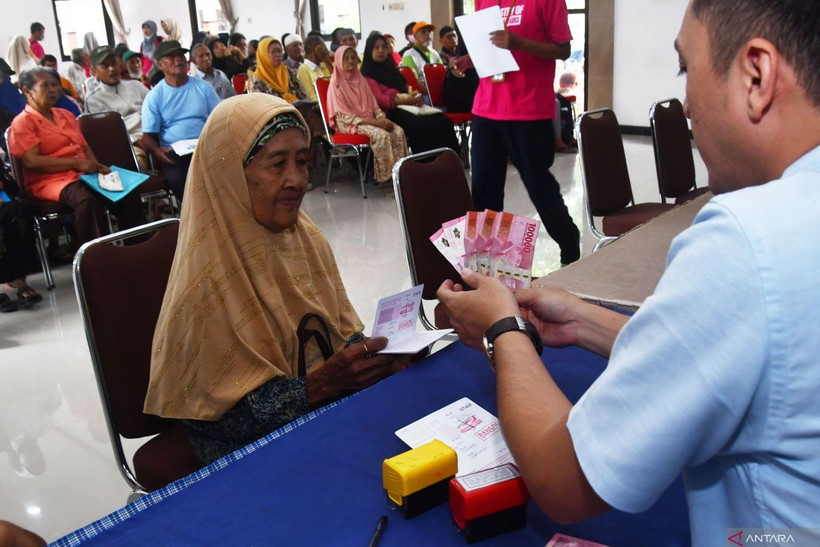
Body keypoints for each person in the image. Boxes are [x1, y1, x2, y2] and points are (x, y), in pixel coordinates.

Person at [437, 0, 820, 542]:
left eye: (687, 68)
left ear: (756, 75)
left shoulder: (747, 240)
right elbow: (730, 354)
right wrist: (585, 321)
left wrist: (504, 330)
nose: (686, 105)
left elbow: (564, 479)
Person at [144, 94, 417, 465]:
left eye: (302, 162)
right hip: (245, 455)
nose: (297, 180)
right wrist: (317, 386)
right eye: (277, 164)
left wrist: (377, 356)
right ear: (230, 174)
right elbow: (213, 417)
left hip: (320, 412)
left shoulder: (304, 239)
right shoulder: (205, 282)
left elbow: (338, 331)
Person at [455, 0, 580, 265]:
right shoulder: (483, 1)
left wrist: (521, 43)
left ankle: (569, 243)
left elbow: (563, 49)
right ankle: (486, 257)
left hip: (529, 108)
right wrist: (470, 60)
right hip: (486, 108)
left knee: (539, 185)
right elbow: (489, 50)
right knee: (483, 190)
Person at [8, 67, 146, 246]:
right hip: (49, 181)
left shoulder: (65, 115)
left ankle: (139, 248)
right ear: (28, 91)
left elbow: (85, 147)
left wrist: (97, 166)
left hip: (83, 174)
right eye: (46, 85)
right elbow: (31, 161)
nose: (53, 90)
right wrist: (75, 163)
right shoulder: (23, 122)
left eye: (55, 85)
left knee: (126, 192)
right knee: (87, 201)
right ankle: (96, 258)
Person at [140, 41, 220, 199]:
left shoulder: (203, 87)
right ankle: (197, 217)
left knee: (223, 173)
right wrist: (156, 151)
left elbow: (219, 117)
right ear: (160, 64)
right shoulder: (155, 96)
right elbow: (148, 137)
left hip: (204, 144)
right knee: (179, 180)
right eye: (171, 56)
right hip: (174, 151)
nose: (178, 59)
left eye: (181, 55)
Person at [361, 33, 458, 154]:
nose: (381, 50)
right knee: (420, 126)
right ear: (369, 50)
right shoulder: (367, 75)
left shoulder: (391, 69)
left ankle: (449, 159)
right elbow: (381, 100)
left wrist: (415, 97)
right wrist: (404, 100)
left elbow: (405, 87)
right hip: (389, 112)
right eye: (376, 47)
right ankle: (426, 163)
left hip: (409, 107)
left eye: (384, 47)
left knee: (442, 120)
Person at [249, 37, 326, 186]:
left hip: (296, 113)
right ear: (264, 54)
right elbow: (258, 104)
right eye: (274, 52)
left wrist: (294, 103)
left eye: (280, 51)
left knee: (305, 115)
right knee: (307, 120)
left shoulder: (287, 71)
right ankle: (323, 133)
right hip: (273, 118)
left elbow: (302, 94)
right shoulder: (257, 78)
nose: (279, 54)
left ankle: (305, 169)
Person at [327, 45, 408, 188]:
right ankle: (385, 178)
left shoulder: (361, 79)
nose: (351, 61)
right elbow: (343, 117)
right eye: (346, 58)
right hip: (350, 124)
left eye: (353, 57)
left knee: (397, 131)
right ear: (339, 61)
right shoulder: (336, 84)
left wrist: (381, 118)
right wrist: (376, 123)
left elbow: (374, 106)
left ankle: (400, 174)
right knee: (381, 135)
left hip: (370, 120)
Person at [84, 46, 151, 171]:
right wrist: (136, 140)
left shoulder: (136, 86)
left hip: (153, 136)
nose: (112, 69)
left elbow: (155, 110)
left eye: (114, 63)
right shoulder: (94, 100)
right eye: (105, 66)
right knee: (138, 165)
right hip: (129, 145)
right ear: (94, 72)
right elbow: (106, 135)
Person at [400, 21, 443, 99]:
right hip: (422, 95)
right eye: (423, 31)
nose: (428, 34)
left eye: (430, 31)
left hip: (438, 92)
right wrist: (432, 93)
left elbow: (443, 74)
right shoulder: (409, 55)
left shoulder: (434, 53)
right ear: (415, 36)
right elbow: (413, 82)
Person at [296, 34, 332, 102]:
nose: (326, 51)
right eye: (322, 48)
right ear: (312, 50)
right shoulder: (303, 69)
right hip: (319, 106)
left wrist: (327, 60)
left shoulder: (325, 65)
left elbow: (337, 83)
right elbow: (312, 97)